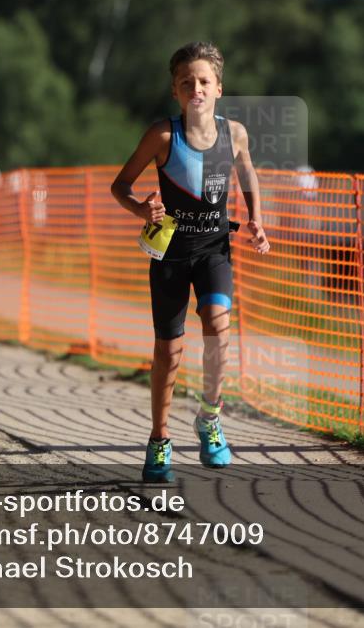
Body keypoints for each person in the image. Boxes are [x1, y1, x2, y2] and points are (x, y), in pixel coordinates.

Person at [111, 41, 270, 482]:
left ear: (219, 88)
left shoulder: (235, 133)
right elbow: (120, 185)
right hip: (171, 254)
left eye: (203, 81)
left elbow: (247, 171)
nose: (195, 88)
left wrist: (256, 219)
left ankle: (210, 419)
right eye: (186, 82)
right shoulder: (163, 136)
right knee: (169, 348)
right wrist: (141, 209)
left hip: (215, 249)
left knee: (219, 325)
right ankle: (159, 439)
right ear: (175, 92)